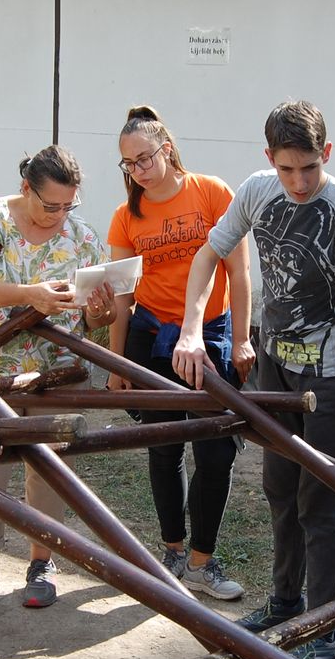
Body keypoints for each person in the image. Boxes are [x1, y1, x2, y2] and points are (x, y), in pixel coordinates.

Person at [172, 101, 335, 659]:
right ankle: (286, 602)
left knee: (320, 499)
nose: (298, 182)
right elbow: (211, 253)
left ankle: (325, 630)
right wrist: (191, 328)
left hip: (328, 373)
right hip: (274, 364)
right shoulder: (257, 191)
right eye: (287, 168)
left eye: (309, 168)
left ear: (327, 153)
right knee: (278, 487)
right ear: (269, 157)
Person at [0, 145, 113, 614]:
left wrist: (102, 311)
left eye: (68, 206)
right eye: (50, 205)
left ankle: (43, 562)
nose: (59, 215)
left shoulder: (82, 237)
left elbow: (100, 320)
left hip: (58, 374)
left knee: (49, 470)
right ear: (26, 188)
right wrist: (30, 295)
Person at [105, 106, 254, 600]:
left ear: (166, 149)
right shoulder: (126, 217)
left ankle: (201, 562)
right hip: (152, 337)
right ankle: (172, 552)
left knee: (216, 449)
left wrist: (242, 338)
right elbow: (122, 296)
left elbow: (238, 273)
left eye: (145, 159)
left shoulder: (211, 191)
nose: (138, 171)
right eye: (129, 164)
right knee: (164, 444)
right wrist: (116, 363)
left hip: (211, 332)